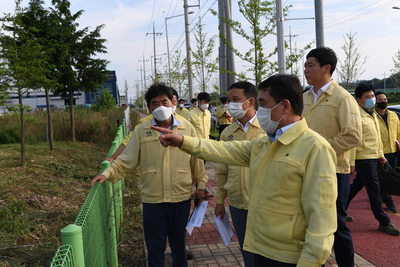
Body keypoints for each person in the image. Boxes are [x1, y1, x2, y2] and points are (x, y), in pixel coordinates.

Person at [152, 74, 338, 267]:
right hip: (261, 249)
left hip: (291, 256)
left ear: (285, 106)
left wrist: (311, 261)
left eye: (264, 104)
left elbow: (322, 219)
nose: (260, 110)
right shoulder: (264, 143)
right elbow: (223, 150)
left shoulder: (315, 148)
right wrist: (183, 141)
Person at [91, 83, 208, 267]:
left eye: (164, 101)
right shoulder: (141, 130)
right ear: (148, 107)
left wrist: (201, 186)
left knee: (179, 246)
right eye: (155, 103)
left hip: (180, 196)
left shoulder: (187, 127)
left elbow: (196, 160)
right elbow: (126, 160)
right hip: (153, 199)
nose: (160, 106)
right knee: (154, 248)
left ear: (173, 103)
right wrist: (107, 173)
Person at [302, 46, 362, 267]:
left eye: (310, 65)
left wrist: (320, 149)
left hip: (333, 171)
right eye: (305, 65)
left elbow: (353, 136)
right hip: (306, 170)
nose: (306, 70)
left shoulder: (342, 98)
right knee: (308, 221)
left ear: (326, 68)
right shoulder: (305, 97)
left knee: (336, 225)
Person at [215, 81, 263, 267]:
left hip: (263, 201)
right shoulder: (227, 133)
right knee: (247, 249)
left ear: (250, 101)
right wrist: (220, 201)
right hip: (237, 202)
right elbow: (222, 169)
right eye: (229, 100)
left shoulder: (267, 129)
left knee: (268, 249)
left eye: (236, 99)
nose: (230, 104)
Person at [346, 84, 400, 236]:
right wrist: (351, 162)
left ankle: (339, 209)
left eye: (372, 96)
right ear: (359, 100)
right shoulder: (356, 116)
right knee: (374, 190)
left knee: (357, 185)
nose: (372, 99)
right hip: (364, 159)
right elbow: (352, 140)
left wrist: (381, 155)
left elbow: (376, 138)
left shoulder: (372, 114)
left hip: (374, 157)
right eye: (367, 97)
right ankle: (384, 221)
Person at [374, 91, 399, 213]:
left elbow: (398, 132)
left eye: (385, 99)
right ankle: (389, 202)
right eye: (380, 100)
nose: (384, 102)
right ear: (375, 102)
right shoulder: (372, 116)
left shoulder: (393, 115)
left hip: (393, 151)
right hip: (379, 152)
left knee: (388, 176)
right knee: (384, 177)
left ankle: (382, 196)